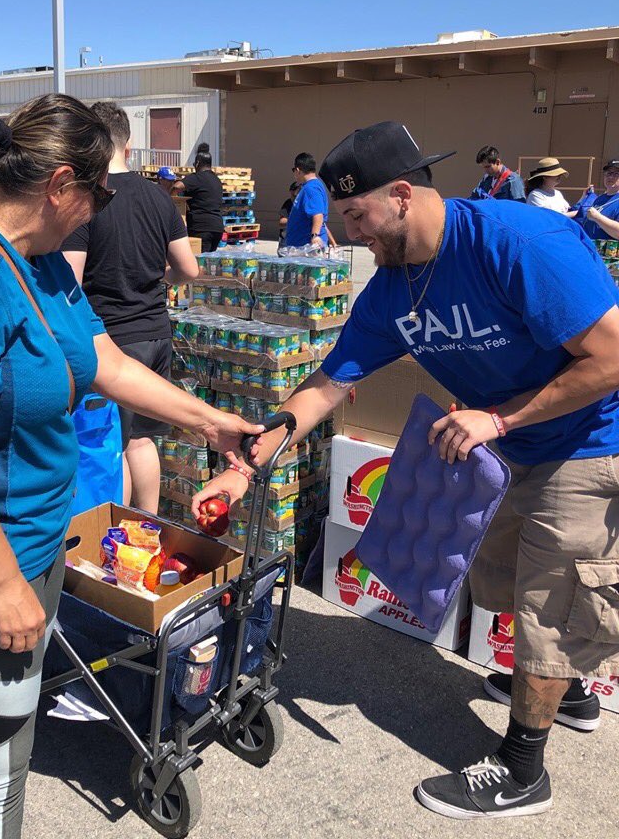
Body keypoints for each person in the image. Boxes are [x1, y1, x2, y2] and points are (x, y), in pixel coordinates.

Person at [194, 119, 619, 821]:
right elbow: (327, 384)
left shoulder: (516, 242)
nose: (352, 233)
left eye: (358, 217)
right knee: (499, 581)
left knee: (551, 602)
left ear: (401, 194)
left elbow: (610, 357)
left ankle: (522, 771)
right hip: (508, 450)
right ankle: (566, 691)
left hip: (587, 442)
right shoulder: (392, 290)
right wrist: (247, 464)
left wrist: (499, 418)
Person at [0, 93, 260, 839]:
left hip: (32, 542)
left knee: (15, 737)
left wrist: (210, 420)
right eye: (101, 191)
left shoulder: (42, 264)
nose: (103, 208)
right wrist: (3, 584)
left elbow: (104, 359)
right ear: (59, 185)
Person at [62, 101, 199, 513]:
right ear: (129, 143)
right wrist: (160, 282)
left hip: (112, 341)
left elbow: (69, 281)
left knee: (111, 445)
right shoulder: (159, 198)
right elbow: (188, 268)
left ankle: (113, 538)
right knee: (141, 439)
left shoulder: (90, 201)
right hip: (156, 331)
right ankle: (148, 525)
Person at [283, 152, 329, 248]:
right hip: (300, 246)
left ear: (298, 170)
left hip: (306, 248)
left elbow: (318, 214)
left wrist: (315, 236)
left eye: (293, 170)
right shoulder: (310, 186)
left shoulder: (311, 188)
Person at [182, 149, 224, 252]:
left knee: (200, 264)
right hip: (217, 228)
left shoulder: (196, 178)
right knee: (209, 262)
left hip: (201, 228)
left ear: (197, 163)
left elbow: (177, 186)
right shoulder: (217, 180)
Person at [576, 159, 619, 240]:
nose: (610, 177)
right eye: (608, 173)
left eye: (616, 174)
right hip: (590, 250)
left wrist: (597, 217)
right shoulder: (599, 199)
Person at [278, 181, 300, 247]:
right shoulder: (288, 204)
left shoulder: (306, 204)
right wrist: (298, 220)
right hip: (287, 240)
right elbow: (282, 222)